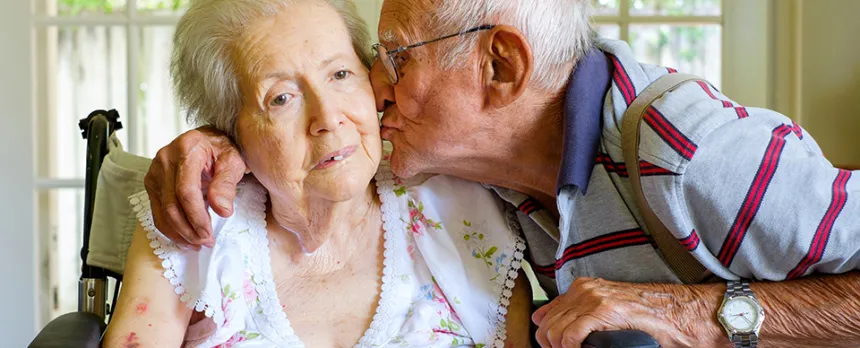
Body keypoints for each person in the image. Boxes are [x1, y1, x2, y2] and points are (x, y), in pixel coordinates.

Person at [143, 0, 860, 347]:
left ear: (500, 67)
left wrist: (692, 313)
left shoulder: (693, 157)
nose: (373, 90)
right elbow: (313, 137)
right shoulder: (466, 170)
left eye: (397, 58)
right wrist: (218, 140)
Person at [103, 0, 534, 347]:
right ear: (229, 131)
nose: (327, 117)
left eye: (341, 74)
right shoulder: (193, 221)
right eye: (282, 99)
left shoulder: (460, 209)